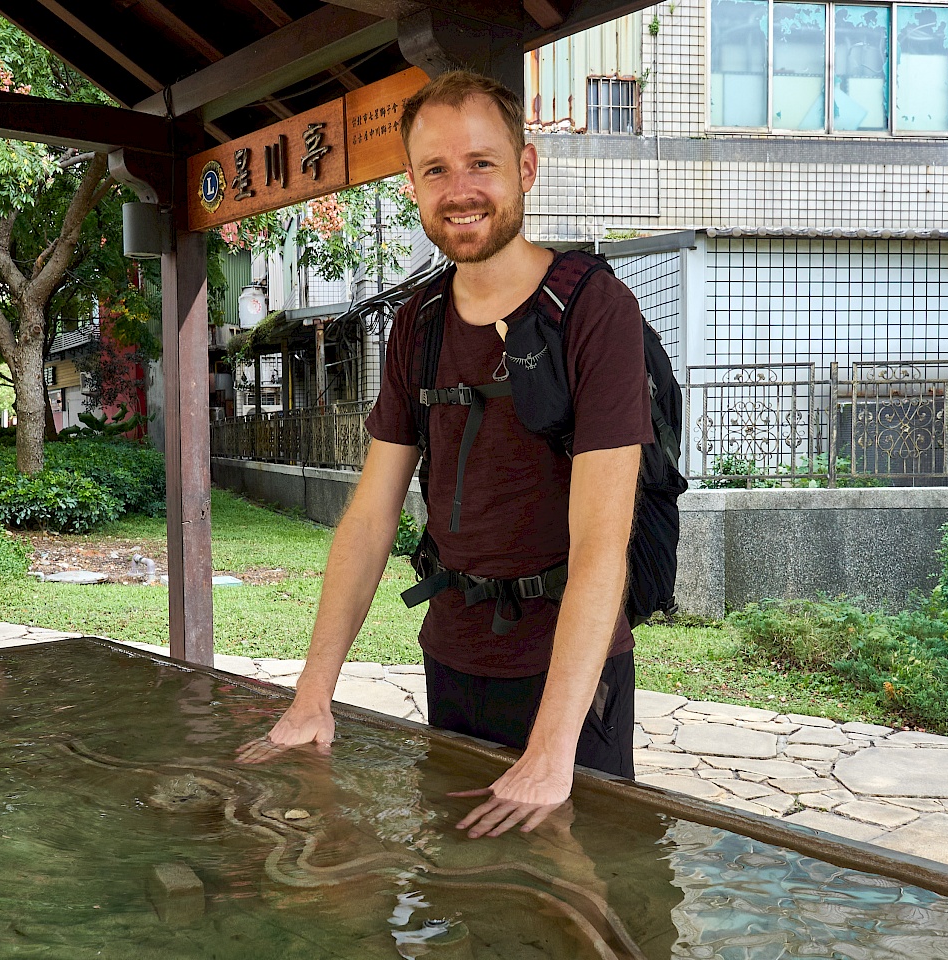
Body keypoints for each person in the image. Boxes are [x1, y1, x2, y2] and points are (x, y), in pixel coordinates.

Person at [237, 71, 654, 842]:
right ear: (413, 186)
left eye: (481, 163)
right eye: (436, 170)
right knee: (465, 904)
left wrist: (552, 749)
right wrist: (312, 696)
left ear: (525, 168)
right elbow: (368, 519)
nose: (460, 190)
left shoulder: (596, 310)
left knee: (578, 917)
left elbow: (603, 543)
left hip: (568, 677)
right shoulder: (418, 324)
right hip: (454, 657)